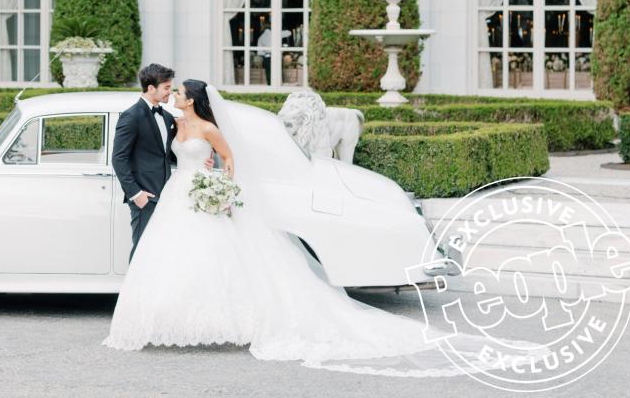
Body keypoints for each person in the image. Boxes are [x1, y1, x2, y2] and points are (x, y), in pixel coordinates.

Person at [103, 80, 545, 375]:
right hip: (178, 198)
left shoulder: (208, 128)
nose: (174, 94)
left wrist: (220, 188)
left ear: (193, 99)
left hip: (199, 195)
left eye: (179, 91)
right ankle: (169, 322)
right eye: (171, 90)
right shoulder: (171, 121)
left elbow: (230, 160)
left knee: (219, 261)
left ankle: (227, 323)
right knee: (176, 261)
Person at [110, 64, 213, 261]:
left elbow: (171, 153)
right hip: (145, 197)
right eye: (166, 88)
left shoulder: (167, 117)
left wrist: (200, 160)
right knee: (142, 249)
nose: (171, 93)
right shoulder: (131, 116)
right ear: (151, 88)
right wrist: (136, 194)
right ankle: (136, 292)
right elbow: (118, 158)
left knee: (162, 251)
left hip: (170, 195)